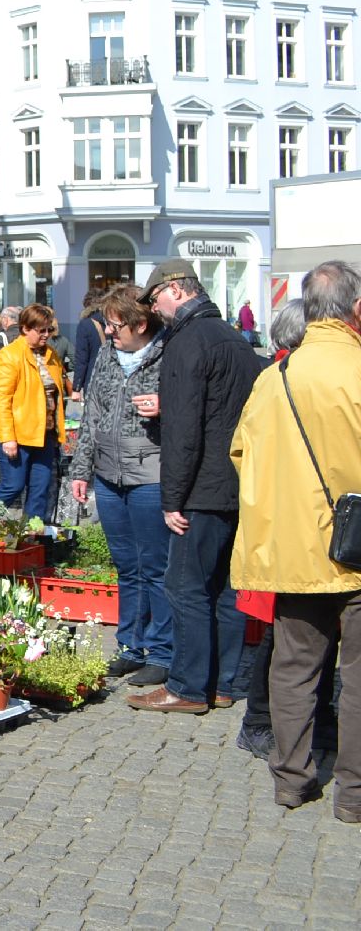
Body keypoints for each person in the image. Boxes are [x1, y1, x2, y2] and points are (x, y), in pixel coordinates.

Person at [228, 260, 361, 819]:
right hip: (357, 548)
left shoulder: (274, 376)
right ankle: (353, 794)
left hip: (294, 548)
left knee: (294, 668)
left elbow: (242, 455)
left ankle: (292, 780)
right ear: (355, 309)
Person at [129, 259, 269, 715]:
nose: (154, 309)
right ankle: (223, 684)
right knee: (226, 589)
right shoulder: (234, 336)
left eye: (154, 299)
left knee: (186, 586)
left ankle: (188, 687)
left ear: (176, 289)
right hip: (237, 481)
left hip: (203, 485)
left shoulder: (188, 340)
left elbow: (185, 427)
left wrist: (173, 498)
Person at [231, 298, 338, 761]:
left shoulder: (279, 378)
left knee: (297, 636)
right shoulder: (279, 379)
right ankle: (259, 721)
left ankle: (302, 722)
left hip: (288, 525)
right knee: (287, 637)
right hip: (291, 527)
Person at [66, 286, 170, 686]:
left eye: (115, 324)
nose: (108, 332)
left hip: (150, 475)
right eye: (107, 324)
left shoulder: (167, 354)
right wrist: (81, 469)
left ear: (141, 324)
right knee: (127, 567)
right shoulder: (109, 355)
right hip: (110, 476)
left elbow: (187, 409)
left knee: (155, 568)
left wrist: (164, 406)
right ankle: (129, 645)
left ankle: (161, 651)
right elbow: (92, 412)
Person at [0, 303, 69, 524]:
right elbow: (1, 400)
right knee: (12, 485)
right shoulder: (9, 356)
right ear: (25, 328)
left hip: (45, 433)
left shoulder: (51, 354)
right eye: (41, 330)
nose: (46, 335)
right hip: (19, 434)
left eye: (49, 330)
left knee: (40, 489)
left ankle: (31, 537)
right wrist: (7, 437)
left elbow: (56, 394)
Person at [73, 287, 107, 398]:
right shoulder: (113, 321)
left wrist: (76, 388)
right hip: (114, 378)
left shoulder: (85, 325)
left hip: (93, 378)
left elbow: (81, 359)